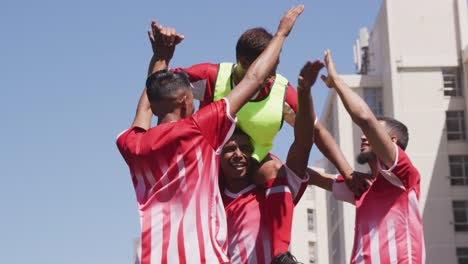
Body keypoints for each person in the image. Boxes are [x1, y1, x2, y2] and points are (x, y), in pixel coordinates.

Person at [165, 21, 369, 259]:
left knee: (276, 169)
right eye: (268, 66)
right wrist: (162, 55)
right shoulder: (213, 76)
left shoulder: (281, 91)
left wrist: (347, 173)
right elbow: (163, 86)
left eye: (277, 63)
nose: (273, 73)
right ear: (244, 64)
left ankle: (280, 255)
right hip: (211, 164)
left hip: (257, 161)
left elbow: (315, 134)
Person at [116, 6, 304, 264]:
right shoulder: (199, 130)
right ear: (184, 101)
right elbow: (255, 78)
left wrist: (160, 58)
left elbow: (147, 102)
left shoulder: (130, 143)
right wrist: (281, 34)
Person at [308, 50, 425, 264]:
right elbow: (310, 176)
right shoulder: (362, 186)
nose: (364, 136)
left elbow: (364, 118)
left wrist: (337, 82)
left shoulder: (403, 177)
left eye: (372, 134)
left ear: (392, 143)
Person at [220, 60, 318, 263]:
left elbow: (303, 144)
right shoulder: (211, 201)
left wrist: (304, 93)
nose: (239, 154)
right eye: (230, 150)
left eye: (245, 149)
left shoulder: (274, 190)